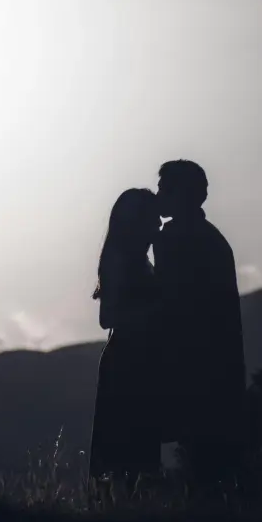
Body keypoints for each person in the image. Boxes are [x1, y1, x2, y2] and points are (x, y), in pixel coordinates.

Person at [153, 160, 246, 488]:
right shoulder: (208, 239)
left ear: (183, 194)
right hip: (209, 363)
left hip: (197, 361)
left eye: (164, 187)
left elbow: (173, 301)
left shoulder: (183, 239)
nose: (158, 194)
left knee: (203, 459)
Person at [89, 188, 162, 485]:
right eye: (153, 217)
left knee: (139, 448)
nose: (159, 223)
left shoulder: (142, 260)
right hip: (125, 362)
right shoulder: (120, 260)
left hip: (139, 361)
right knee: (124, 451)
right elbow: (107, 318)